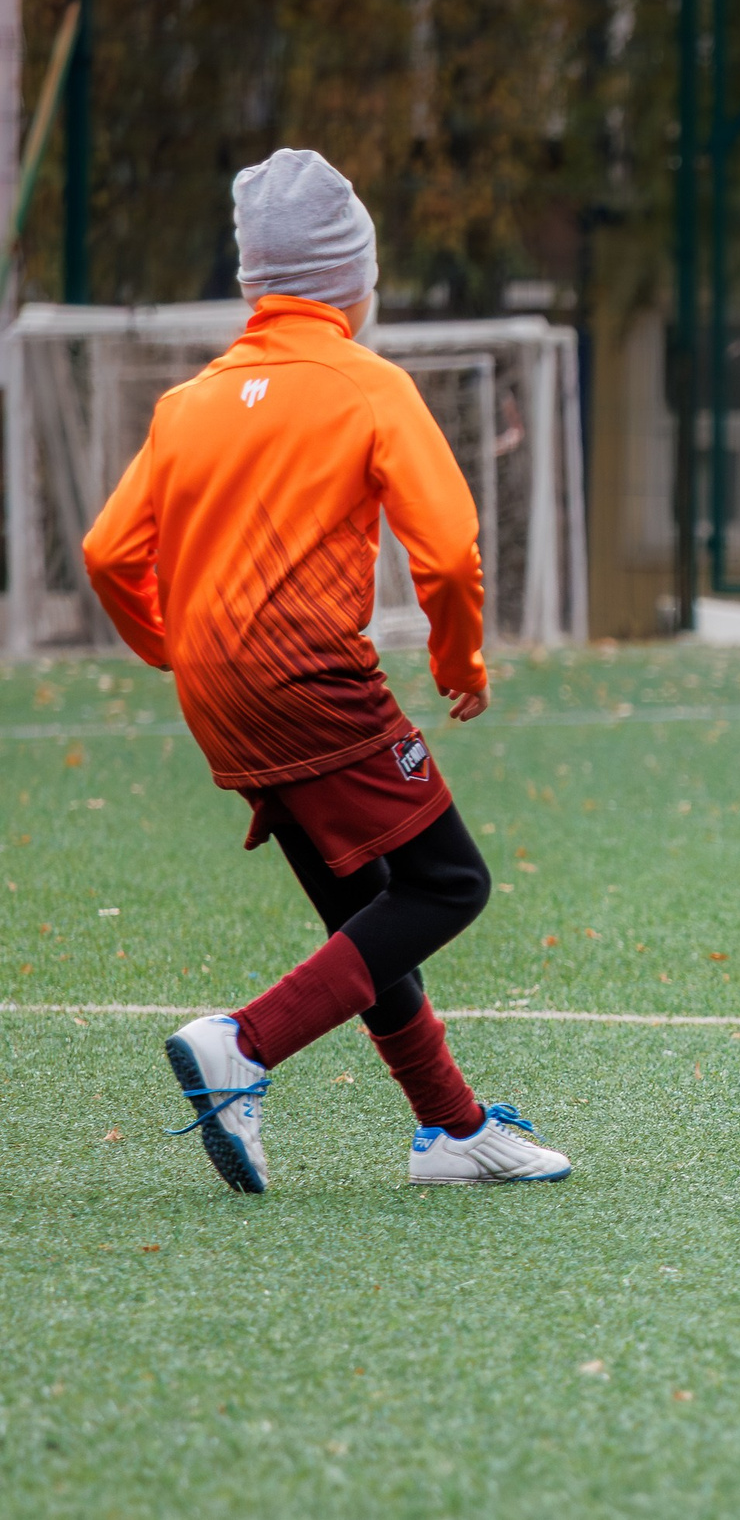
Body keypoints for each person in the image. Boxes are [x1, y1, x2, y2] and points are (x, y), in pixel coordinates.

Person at [83, 148, 570, 1193]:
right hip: (311, 678)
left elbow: (108, 554)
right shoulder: (369, 385)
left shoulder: (189, 401)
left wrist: (175, 648)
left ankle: (450, 1127)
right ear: (355, 280)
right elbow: (449, 554)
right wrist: (460, 661)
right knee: (449, 883)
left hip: (217, 696)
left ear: (254, 283)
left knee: (366, 909)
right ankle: (243, 1043)